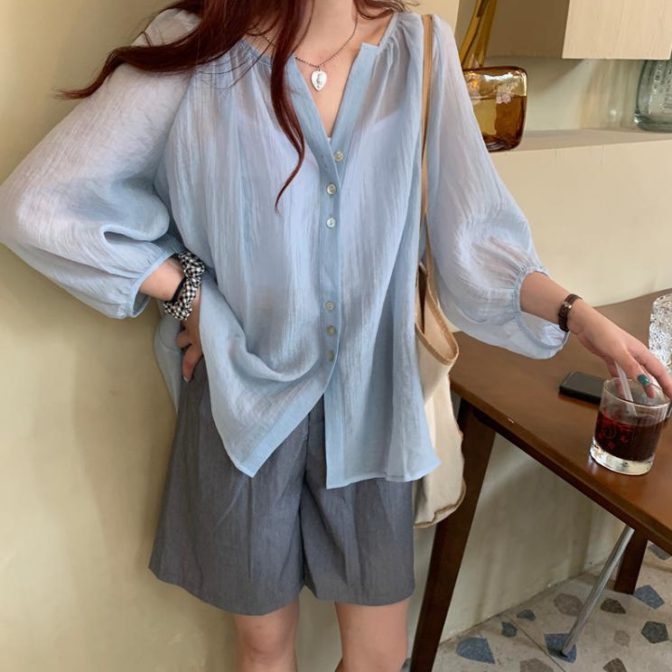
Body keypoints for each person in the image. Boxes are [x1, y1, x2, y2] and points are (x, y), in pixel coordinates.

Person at [1, 2, 671, 671]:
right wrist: (190, 293)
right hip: (242, 400)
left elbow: (471, 236)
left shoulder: (419, 50)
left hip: (371, 403)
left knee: (379, 655)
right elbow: (41, 205)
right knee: (265, 646)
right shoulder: (195, 46)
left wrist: (578, 315)